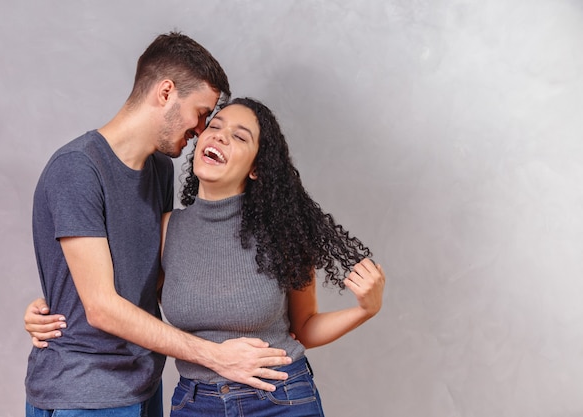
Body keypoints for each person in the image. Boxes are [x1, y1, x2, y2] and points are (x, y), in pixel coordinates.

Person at [28, 97, 386, 416]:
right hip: (195, 403)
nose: (219, 136)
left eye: (240, 136)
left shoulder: (285, 234)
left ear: (257, 168)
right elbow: (117, 297)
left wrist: (364, 310)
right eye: (214, 126)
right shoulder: (166, 228)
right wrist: (47, 308)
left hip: (279, 399)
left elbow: (304, 327)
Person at [24, 33, 291, 417]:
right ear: (165, 93)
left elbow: (152, 276)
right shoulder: (77, 168)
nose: (202, 130)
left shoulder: (160, 170)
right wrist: (216, 357)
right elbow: (100, 307)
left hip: (144, 385)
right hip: (82, 392)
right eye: (200, 113)